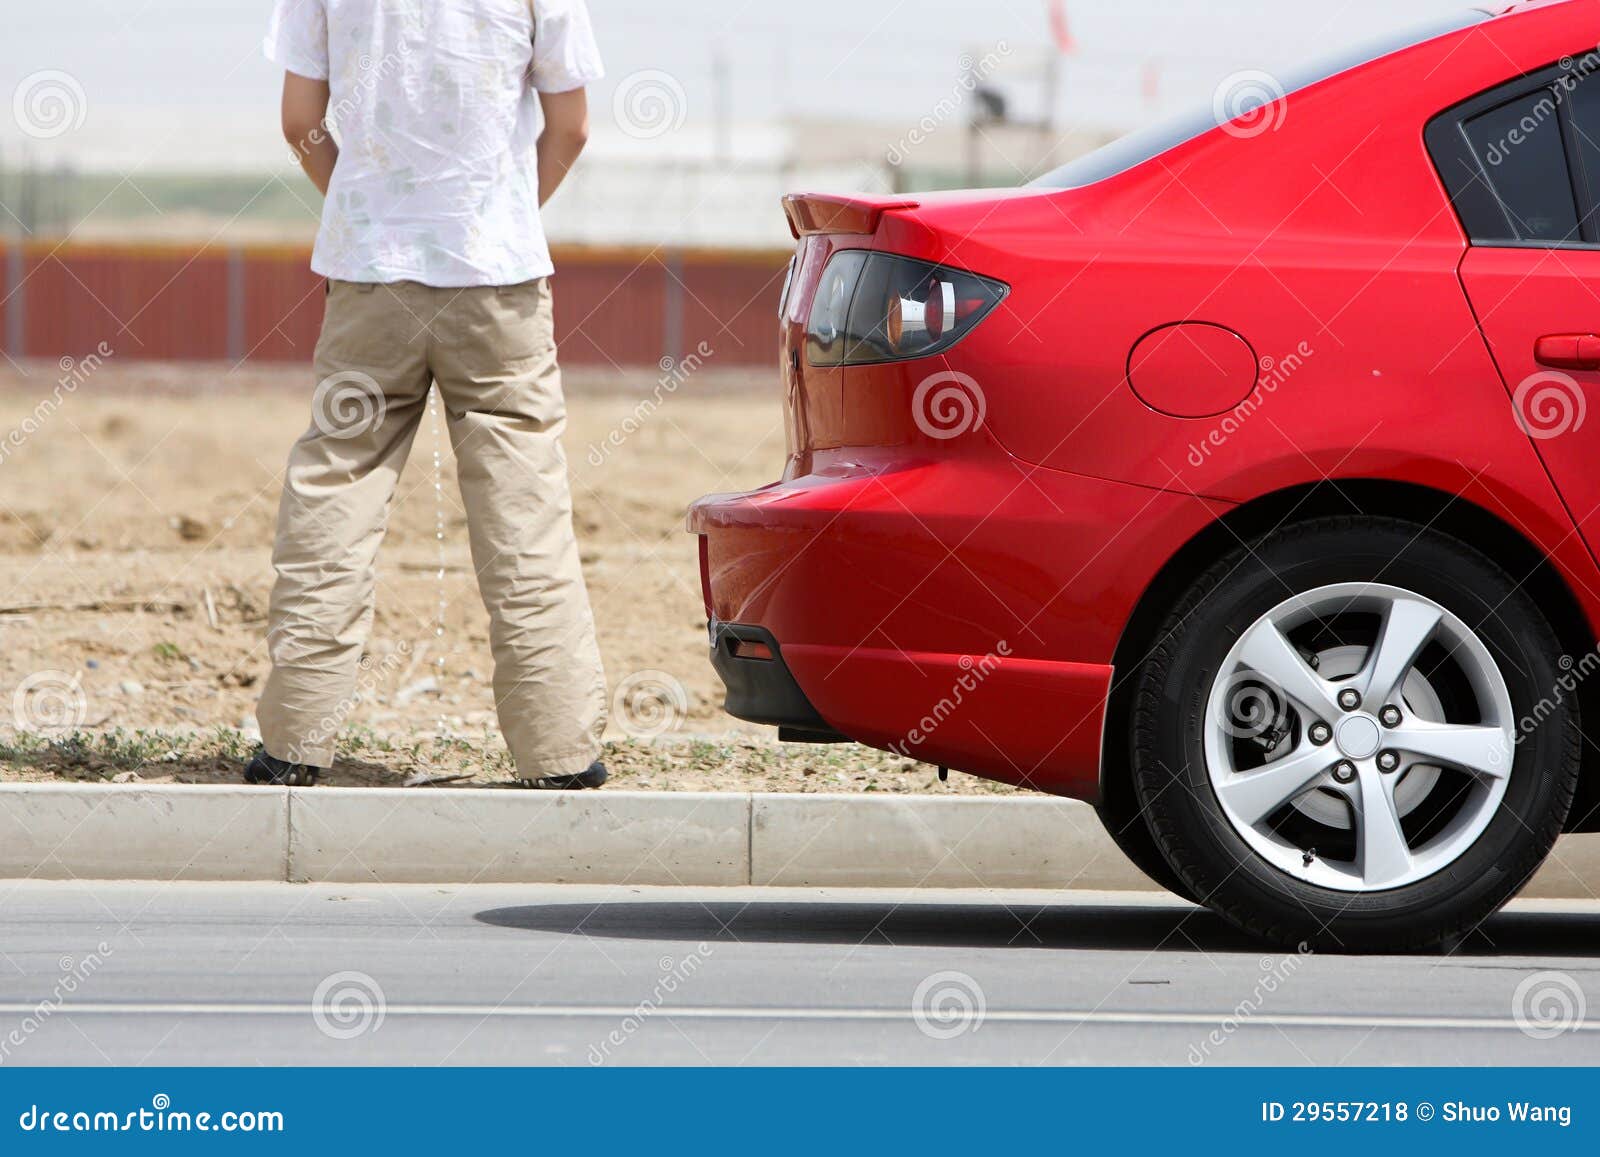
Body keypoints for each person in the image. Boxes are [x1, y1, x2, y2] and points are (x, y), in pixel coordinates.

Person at [247, 0, 609, 790]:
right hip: (497, 279)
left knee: (335, 490)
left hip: (371, 275)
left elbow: (299, 120)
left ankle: (292, 743)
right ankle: (559, 754)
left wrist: (363, 210)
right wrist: (505, 212)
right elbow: (572, 127)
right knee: (524, 508)